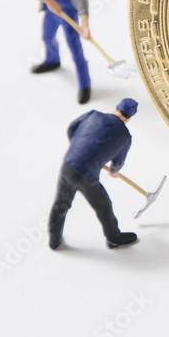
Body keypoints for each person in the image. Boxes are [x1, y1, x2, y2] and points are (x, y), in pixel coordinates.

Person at [48, 98, 139, 250]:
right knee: (104, 206)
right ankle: (114, 238)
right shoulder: (125, 137)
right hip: (85, 177)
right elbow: (118, 163)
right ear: (129, 118)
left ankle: (54, 241)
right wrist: (114, 171)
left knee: (60, 205)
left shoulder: (93, 114)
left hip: (68, 165)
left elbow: (71, 128)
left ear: (116, 107)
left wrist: (79, 148)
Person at [28, 0, 92, 104]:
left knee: (75, 48)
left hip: (69, 12)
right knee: (47, 37)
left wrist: (84, 24)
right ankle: (52, 60)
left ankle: (85, 85)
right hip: (51, 9)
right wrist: (48, 1)